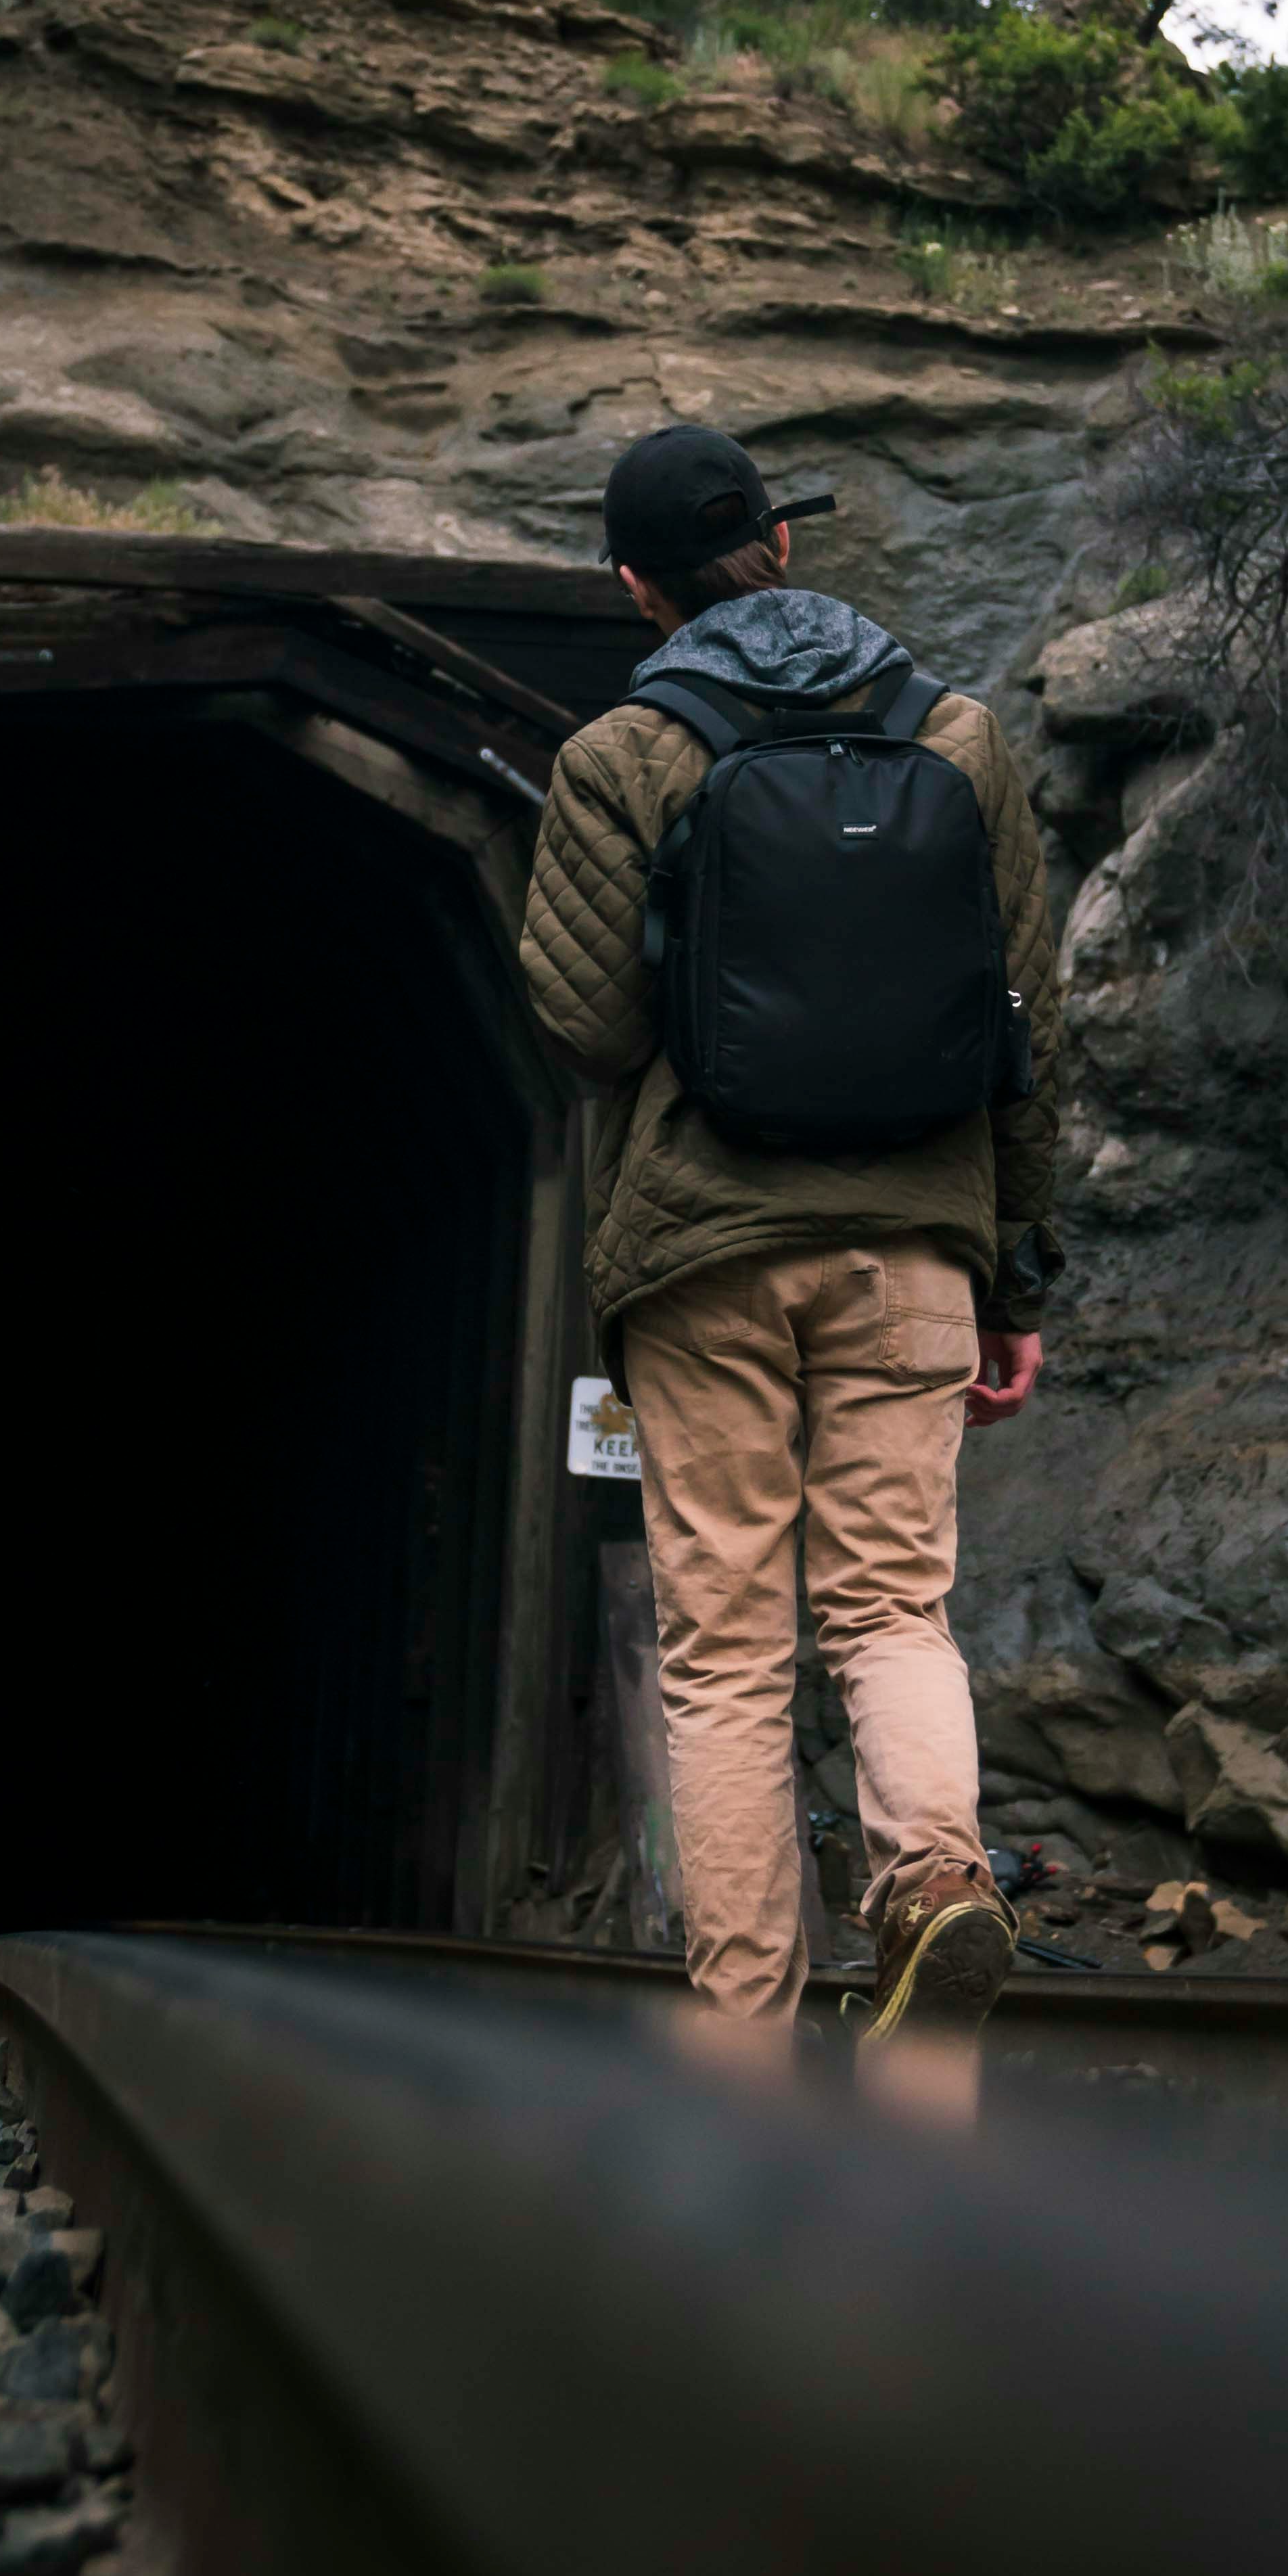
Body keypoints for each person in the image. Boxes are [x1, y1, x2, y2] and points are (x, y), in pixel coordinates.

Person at [520, 424, 1062, 2040]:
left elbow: (587, 1024)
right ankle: (934, 1882)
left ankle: (741, 2031)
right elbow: (1025, 1022)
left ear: (634, 586)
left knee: (725, 1652)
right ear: (781, 543)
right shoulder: (958, 742)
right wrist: (1012, 1270)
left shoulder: (618, 755)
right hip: (908, 1249)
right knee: (893, 1606)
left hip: (700, 1260)